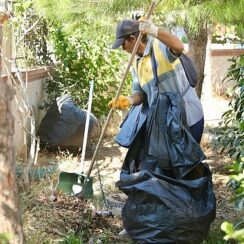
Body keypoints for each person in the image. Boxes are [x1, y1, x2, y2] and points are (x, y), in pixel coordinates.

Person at [109, 18, 204, 144]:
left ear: (132, 39)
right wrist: (128, 100)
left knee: (188, 162)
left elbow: (179, 47)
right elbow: (140, 93)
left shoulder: (160, 46)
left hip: (188, 118)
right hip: (166, 124)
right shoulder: (136, 64)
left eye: (123, 44)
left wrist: (154, 30)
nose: (122, 49)